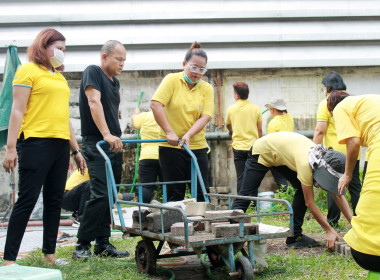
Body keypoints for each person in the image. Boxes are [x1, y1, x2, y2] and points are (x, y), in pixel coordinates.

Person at [2, 28, 86, 266]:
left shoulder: (58, 77)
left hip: (60, 145)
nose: (62, 53)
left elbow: (64, 117)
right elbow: (16, 110)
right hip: (35, 143)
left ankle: (50, 255)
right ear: (43, 46)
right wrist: (10, 148)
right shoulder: (28, 70)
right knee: (27, 200)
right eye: (58, 48)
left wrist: (75, 151)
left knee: (53, 201)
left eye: (64, 50)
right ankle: (9, 260)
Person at [232, 132, 352, 250]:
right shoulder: (306, 164)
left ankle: (294, 236)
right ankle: (228, 234)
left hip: (280, 154)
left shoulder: (319, 159)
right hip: (262, 150)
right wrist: (329, 230)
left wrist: (355, 226)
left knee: (301, 189)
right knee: (246, 194)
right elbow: (309, 203)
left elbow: (338, 195)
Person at [72, 40, 129, 260]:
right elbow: (93, 102)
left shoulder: (114, 82)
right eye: (119, 59)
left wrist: (115, 136)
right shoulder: (93, 72)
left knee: (111, 195)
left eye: (124, 60)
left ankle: (103, 244)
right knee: (100, 193)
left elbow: (112, 112)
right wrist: (106, 134)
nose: (122, 64)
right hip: (97, 142)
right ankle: (82, 244)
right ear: (105, 57)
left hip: (114, 143)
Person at [150, 42, 214, 202]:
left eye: (202, 69)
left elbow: (206, 116)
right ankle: (176, 225)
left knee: (201, 191)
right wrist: (169, 132)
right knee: (174, 192)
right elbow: (156, 104)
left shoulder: (206, 88)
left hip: (196, 145)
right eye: (194, 67)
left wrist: (189, 135)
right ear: (184, 64)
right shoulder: (172, 80)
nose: (197, 73)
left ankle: (201, 225)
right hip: (171, 146)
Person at [327, 91, 380, 272]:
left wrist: (348, 174)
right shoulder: (366, 103)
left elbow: (353, 142)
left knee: (373, 204)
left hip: (370, 256)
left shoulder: (341, 107)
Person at [313, 71, 362, 228]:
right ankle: (361, 217)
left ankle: (333, 220)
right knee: (354, 185)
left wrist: (314, 151)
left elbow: (320, 131)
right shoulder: (352, 100)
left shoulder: (326, 103)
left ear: (326, 87)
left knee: (333, 185)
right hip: (354, 150)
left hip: (335, 153)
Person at [62, 169, 134, 228]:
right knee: (91, 185)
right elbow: (103, 192)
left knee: (95, 191)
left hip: (74, 198)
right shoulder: (93, 168)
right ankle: (81, 219)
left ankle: (80, 216)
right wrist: (121, 198)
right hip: (67, 198)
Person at [226, 82, 262, 193]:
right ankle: (253, 204)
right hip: (253, 147)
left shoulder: (231, 109)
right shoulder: (256, 109)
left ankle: (241, 205)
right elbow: (259, 130)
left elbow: (228, 125)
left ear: (237, 95)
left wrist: (232, 131)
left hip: (238, 147)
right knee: (253, 177)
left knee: (241, 177)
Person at [131, 108, 162, 203]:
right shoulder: (168, 115)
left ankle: (143, 210)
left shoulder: (145, 116)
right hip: (165, 155)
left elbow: (134, 122)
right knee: (168, 185)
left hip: (147, 156)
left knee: (146, 186)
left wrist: (135, 114)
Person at [265, 97, 294, 191]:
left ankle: (286, 202)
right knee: (291, 180)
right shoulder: (290, 117)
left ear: (272, 109)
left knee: (281, 182)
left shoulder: (273, 124)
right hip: (290, 154)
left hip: (278, 156)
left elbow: (271, 144)